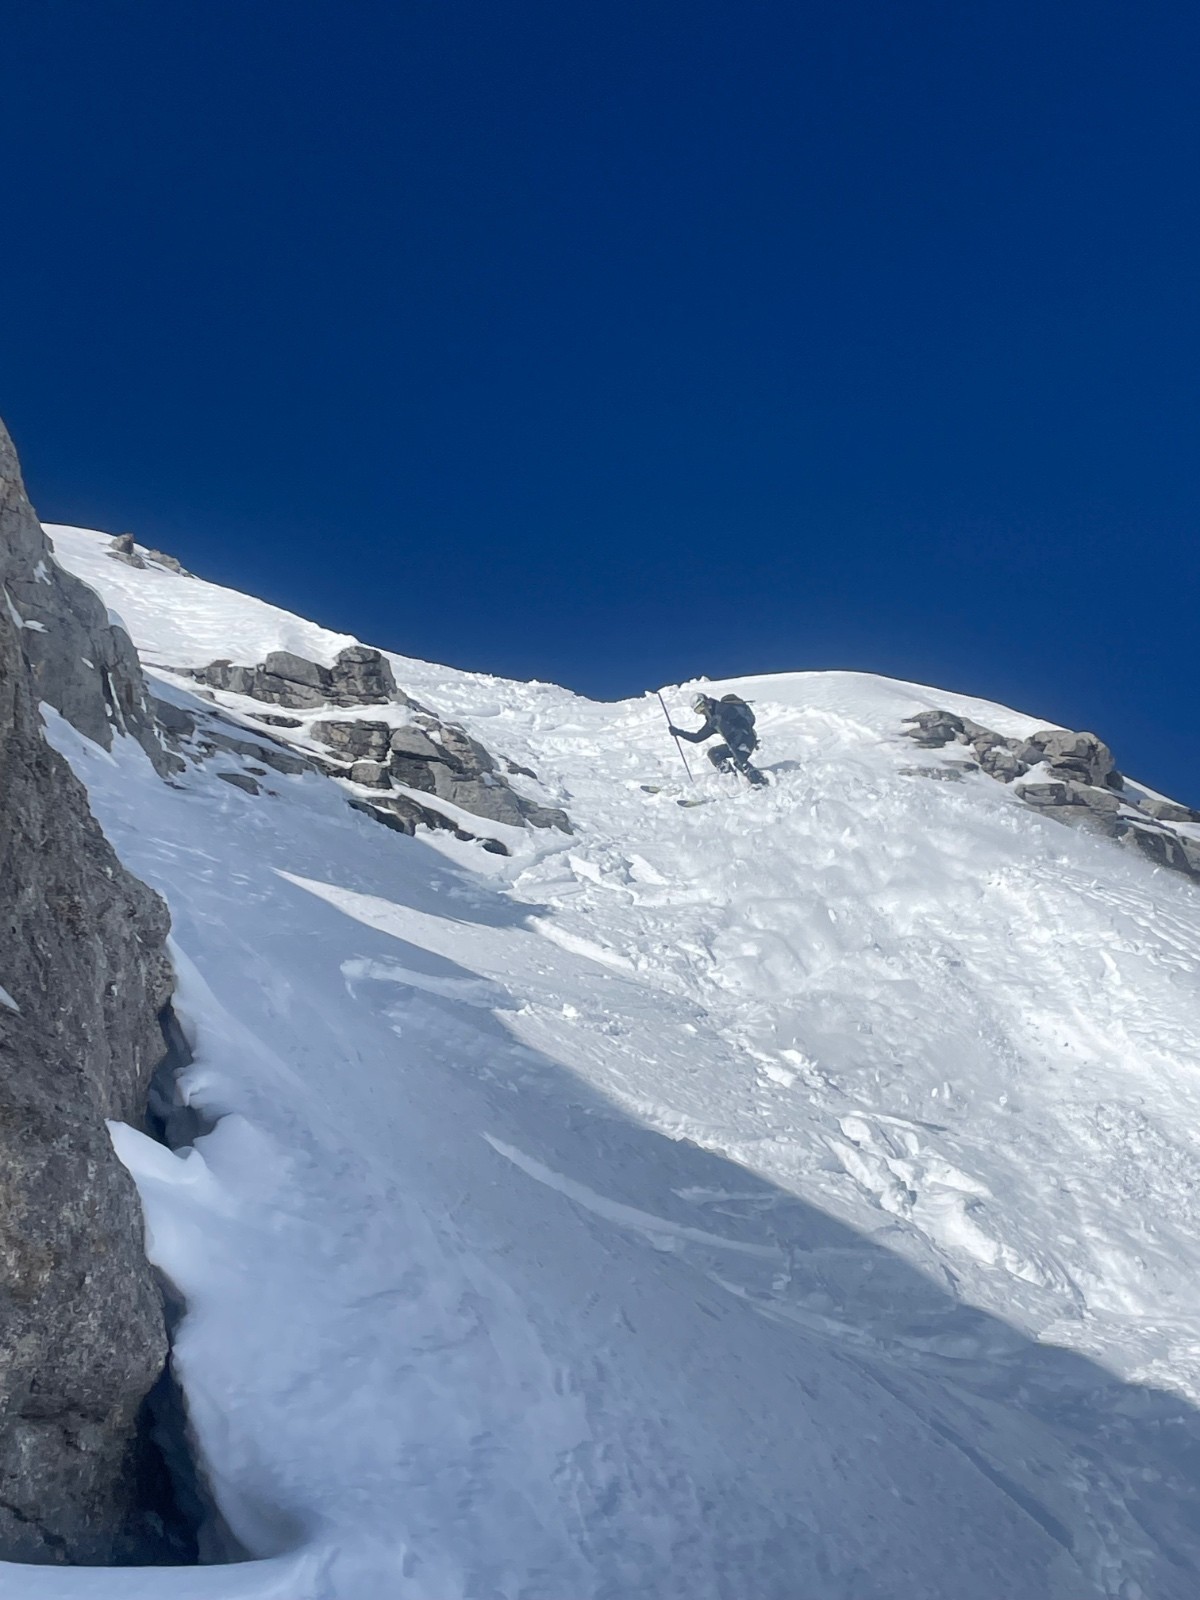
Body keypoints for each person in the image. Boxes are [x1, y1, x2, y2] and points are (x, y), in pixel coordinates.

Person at [669, 693, 767, 785]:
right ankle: (731, 778)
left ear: (706, 702)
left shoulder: (722, 707)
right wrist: (678, 732)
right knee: (714, 753)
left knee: (738, 760)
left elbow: (733, 714)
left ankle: (759, 781)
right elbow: (697, 737)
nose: (702, 711)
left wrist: (720, 719)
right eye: (698, 711)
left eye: (701, 707)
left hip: (746, 738)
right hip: (733, 744)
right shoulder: (712, 721)